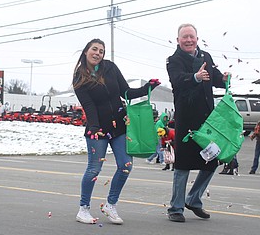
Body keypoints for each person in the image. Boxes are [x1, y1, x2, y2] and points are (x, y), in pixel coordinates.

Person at [72, 38, 160, 224]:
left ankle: (111, 205)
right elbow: (88, 105)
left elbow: (126, 92)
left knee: (126, 165)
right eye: (94, 49)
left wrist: (147, 88)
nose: (98, 53)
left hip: (119, 126)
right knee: (94, 168)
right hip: (98, 129)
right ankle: (83, 209)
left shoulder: (110, 68)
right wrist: (95, 127)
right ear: (86, 51)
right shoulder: (79, 78)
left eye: (101, 51)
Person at [166, 23, 229, 222]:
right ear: (178, 40)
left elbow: (215, 79)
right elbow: (177, 80)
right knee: (183, 165)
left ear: (197, 38)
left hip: (207, 121)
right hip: (186, 120)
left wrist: (224, 78)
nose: (188, 40)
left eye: (191, 36)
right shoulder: (173, 61)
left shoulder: (206, 57)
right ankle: (175, 208)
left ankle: (194, 199)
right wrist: (195, 77)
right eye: (184, 37)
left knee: (211, 161)